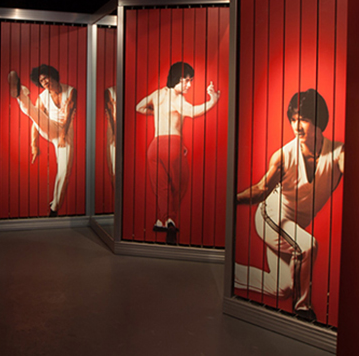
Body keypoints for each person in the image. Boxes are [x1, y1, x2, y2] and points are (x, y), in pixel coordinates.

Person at [234, 89, 345, 322]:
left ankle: (231, 272)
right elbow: (261, 189)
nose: (297, 126)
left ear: (318, 120)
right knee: (307, 246)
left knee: (282, 287)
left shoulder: (337, 153)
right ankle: (303, 308)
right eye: (293, 120)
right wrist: (232, 199)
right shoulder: (284, 156)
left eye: (302, 119)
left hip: (292, 227)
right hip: (271, 217)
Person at [136, 62, 220, 244]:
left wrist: (157, 113)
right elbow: (192, 112)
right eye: (186, 80)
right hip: (172, 145)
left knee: (162, 188)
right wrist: (212, 101)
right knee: (179, 185)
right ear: (177, 79)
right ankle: (171, 221)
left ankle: (163, 221)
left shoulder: (158, 94)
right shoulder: (177, 99)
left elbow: (139, 107)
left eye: (191, 81)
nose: (189, 85)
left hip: (154, 147)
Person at [8, 65, 76, 217]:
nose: (44, 82)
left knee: (65, 171)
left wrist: (63, 136)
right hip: (50, 127)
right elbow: (36, 120)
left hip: (65, 133)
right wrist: (34, 145)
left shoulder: (70, 91)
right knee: (34, 112)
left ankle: (54, 208)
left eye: (46, 78)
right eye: (41, 81)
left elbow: (69, 114)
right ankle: (20, 94)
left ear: (53, 75)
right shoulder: (43, 96)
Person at [104, 86, 116, 190]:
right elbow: (110, 113)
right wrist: (115, 133)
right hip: (113, 129)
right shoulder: (110, 91)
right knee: (113, 168)